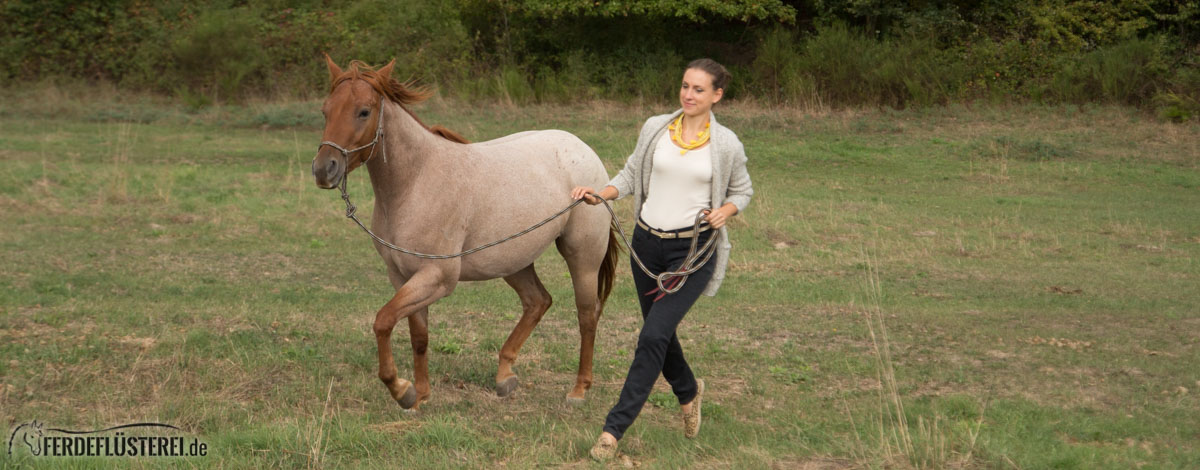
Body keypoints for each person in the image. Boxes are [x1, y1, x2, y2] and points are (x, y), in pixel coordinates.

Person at [570, 58, 753, 461]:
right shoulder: (656, 128)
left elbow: (742, 190)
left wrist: (727, 211)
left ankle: (611, 432)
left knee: (652, 336)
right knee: (660, 332)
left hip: (691, 253)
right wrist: (601, 192)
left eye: (699, 89)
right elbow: (632, 174)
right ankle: (688, 392)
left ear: (717, 95)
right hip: (646, 248)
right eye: (685, 86)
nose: (688, 94)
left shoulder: (726, 145)